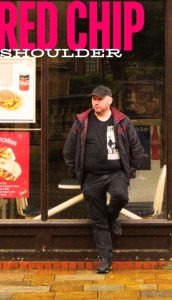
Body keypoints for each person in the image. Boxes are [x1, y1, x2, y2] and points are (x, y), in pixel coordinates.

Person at [63, 85, 143, 274]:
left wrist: (128, 171)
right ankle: (105, 259)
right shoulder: (82, 122)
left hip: (117, 174)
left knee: (121, 196)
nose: (96, 102)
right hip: (92, 176)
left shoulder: (122, 121)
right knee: (98, 219)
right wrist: (76, 172)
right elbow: (69, 150)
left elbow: (136, 148)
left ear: (109, 100)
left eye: (100, 99)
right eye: (93, 99)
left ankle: (112, 216)